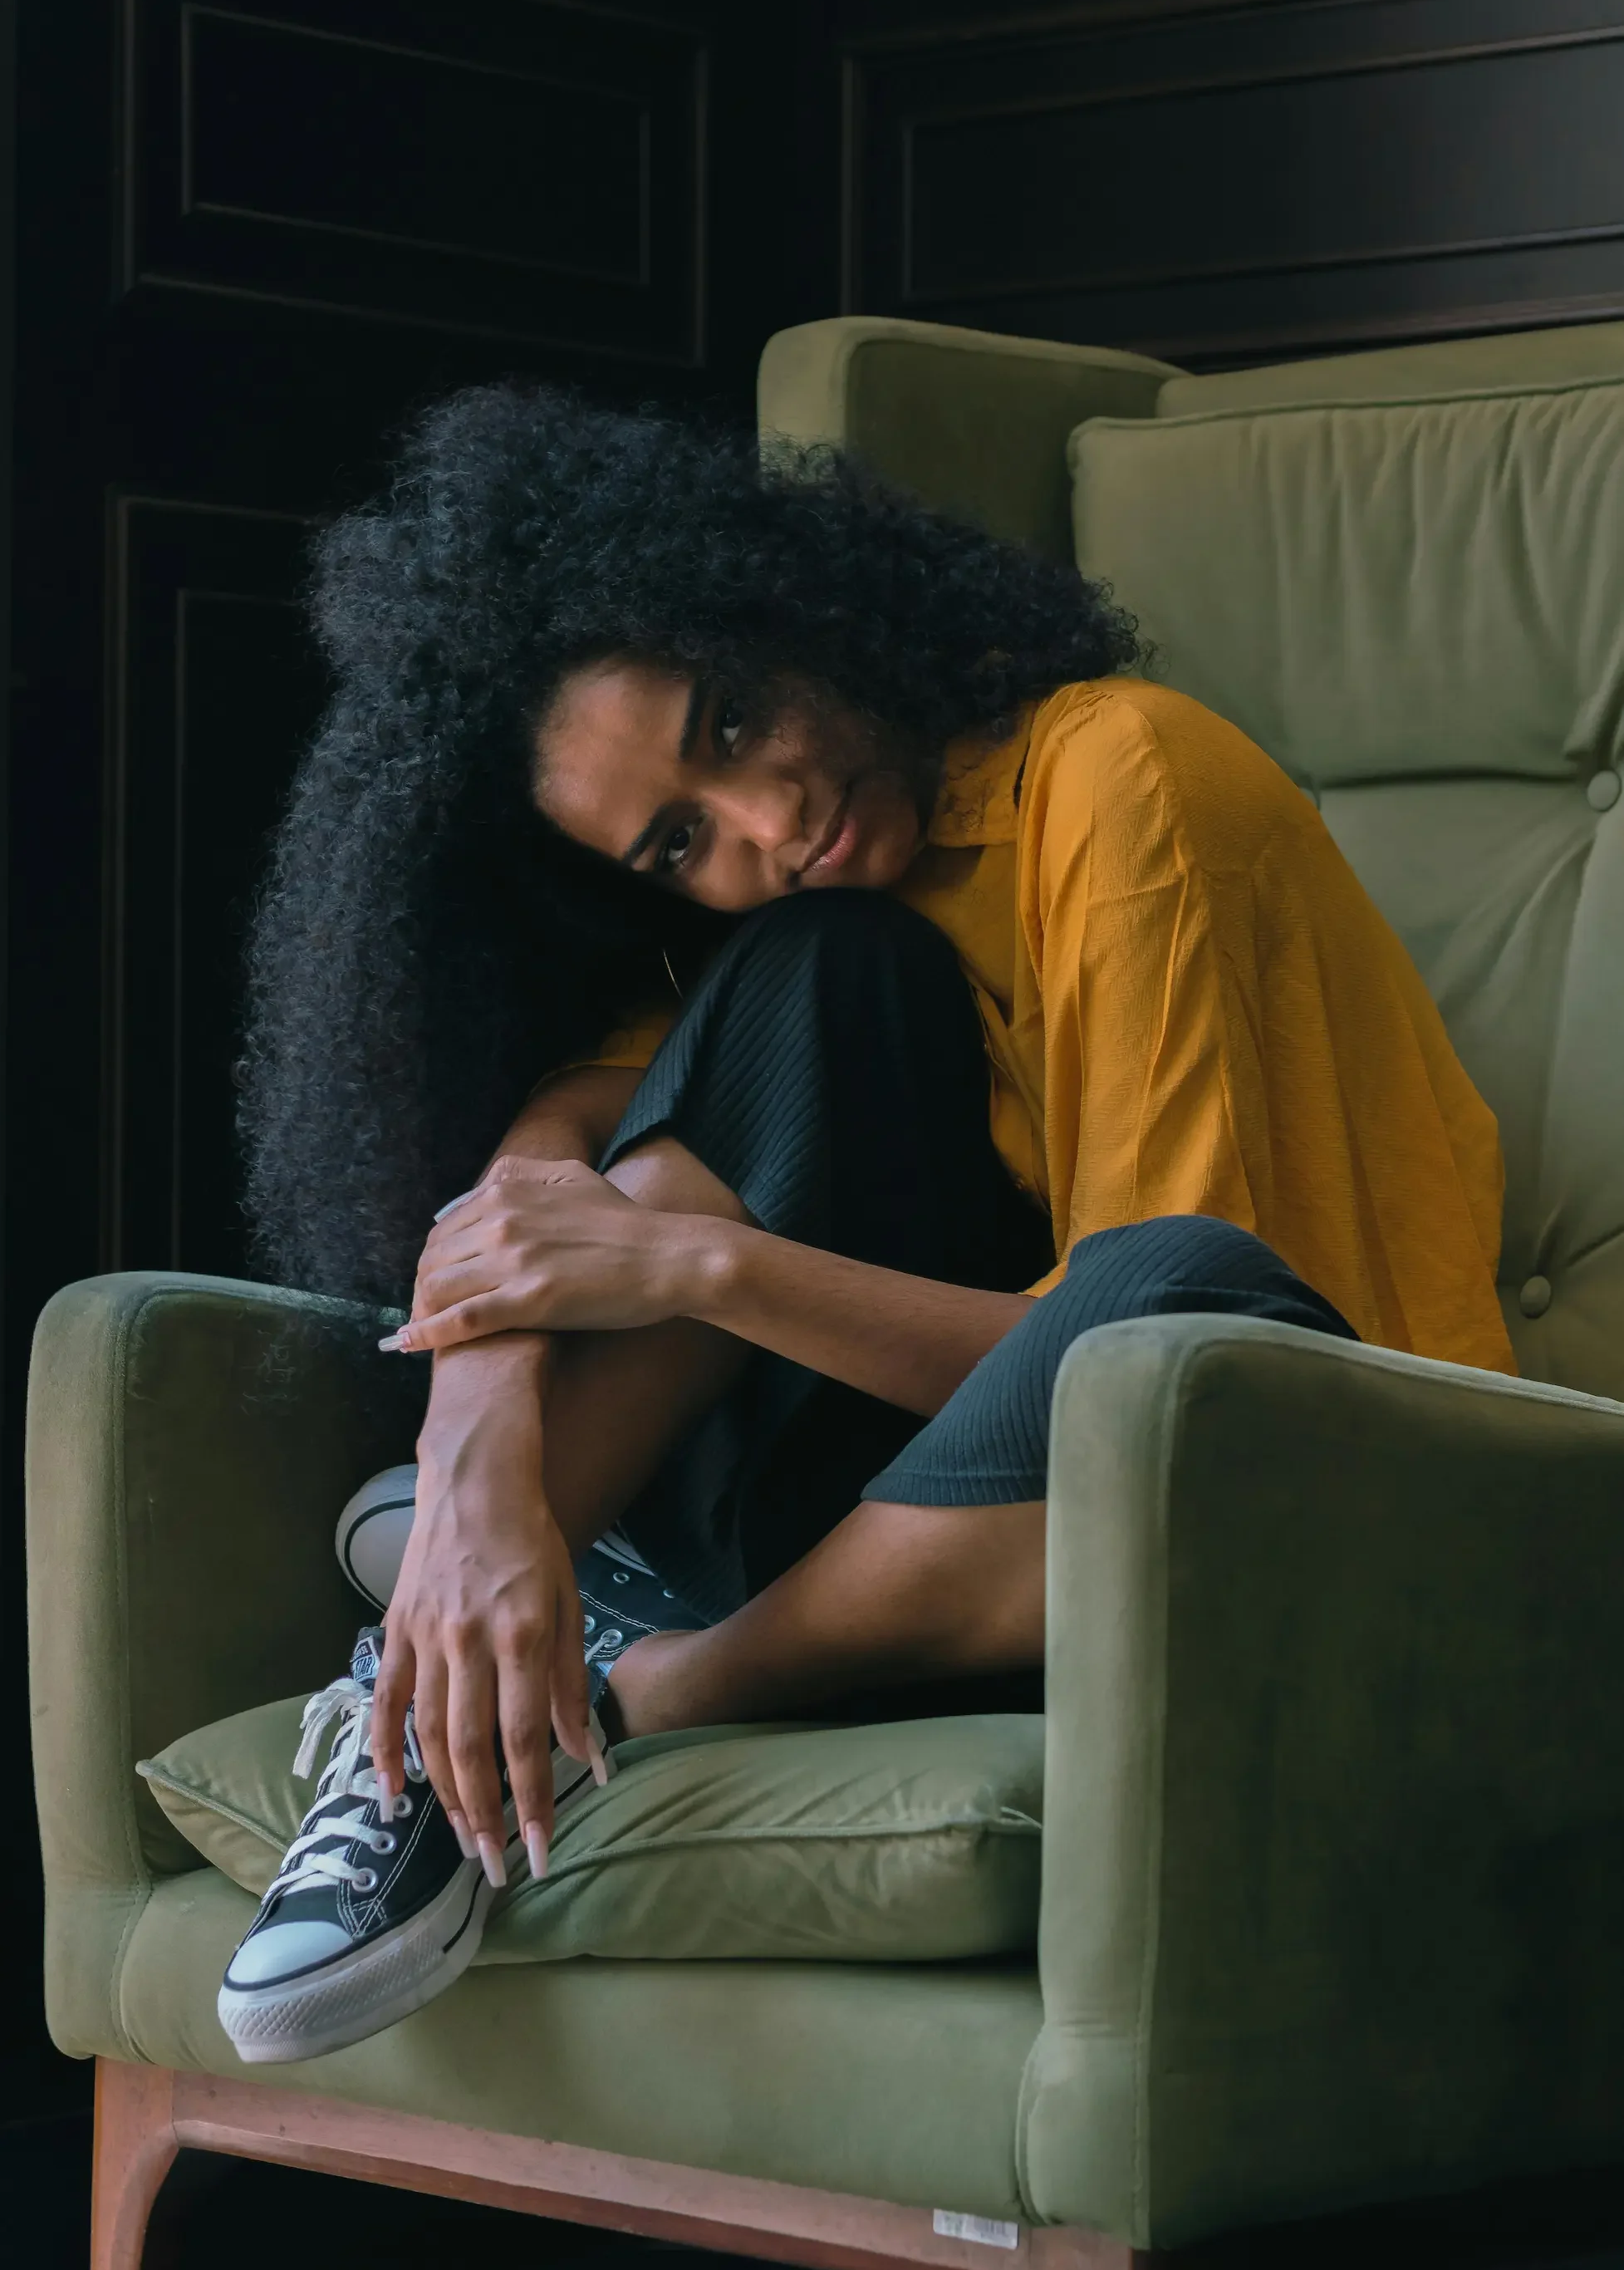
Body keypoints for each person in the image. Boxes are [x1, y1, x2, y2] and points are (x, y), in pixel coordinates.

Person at [214, 384, 1514, 2063]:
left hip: (1267, 1498)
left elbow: (1163, 1379)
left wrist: (706, 1265)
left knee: (1156, 1277)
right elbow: (547, 1157)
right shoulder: (823, 919)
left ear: (789, 608)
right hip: (930, 1530)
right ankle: (420, 1697)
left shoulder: (1119, 782)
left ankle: (638, 1685)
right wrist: (475, 1466)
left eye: (735, 717)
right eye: (681, 841)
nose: (766, 824)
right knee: (820, 975)